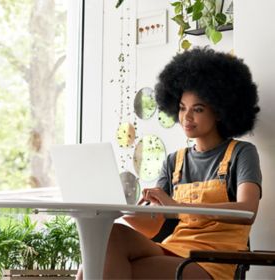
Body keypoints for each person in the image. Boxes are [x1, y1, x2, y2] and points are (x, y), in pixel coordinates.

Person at [81, 48, 262, 279]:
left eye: (197, 109)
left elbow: (247, 211)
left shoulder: (242, 153)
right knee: (109, 237)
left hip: (211, 262)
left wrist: (176, 207)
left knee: (97, 268)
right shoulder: (173, 161)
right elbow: (153, 227)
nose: (186, 117)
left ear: (219, 112)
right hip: (173, 249)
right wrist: (120, 208)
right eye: (182, 108)